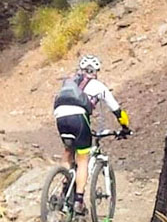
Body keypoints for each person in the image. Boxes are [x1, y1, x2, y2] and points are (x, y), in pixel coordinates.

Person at [52, 54, 132, 209]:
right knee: (83, 158)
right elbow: (117, 110)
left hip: (60, 116)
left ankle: (64, 188)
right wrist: (125, 127)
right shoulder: (98, 86)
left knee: (69, 151)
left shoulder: (70, 82)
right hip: (79, 118)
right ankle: (78, 201)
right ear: (96, 71)